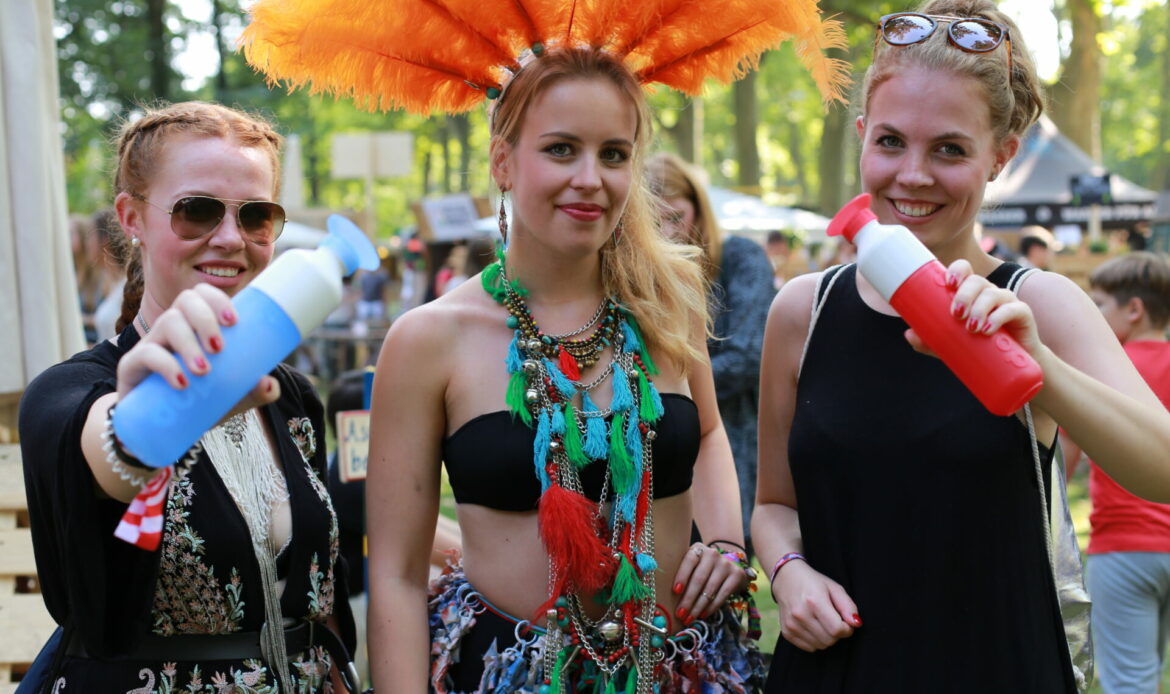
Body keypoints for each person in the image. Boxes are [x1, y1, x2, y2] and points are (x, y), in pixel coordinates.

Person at [243, 1, 848, 688]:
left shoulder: (662, 309)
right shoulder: (429, 340)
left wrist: (727, 545)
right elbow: (400, 576)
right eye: (561, 149)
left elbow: (707, 431)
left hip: (682, 668)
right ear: (504, 160)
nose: (590, 178)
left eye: (613, 154)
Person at [752, 2, 1170, 692]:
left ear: (1000, 156)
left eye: (948, 148)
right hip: (834, 672)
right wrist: (790, 574)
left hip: (998, 666)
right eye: (890, 142)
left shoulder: (1039, 302)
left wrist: (1043, 370)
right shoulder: (805, 309)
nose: (912, 175)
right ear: (861, 137)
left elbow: (1160, 469)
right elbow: (773, 505)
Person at [18, 101, 355, 694]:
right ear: (131, 218)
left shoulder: (291, 396)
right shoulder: (68, 392)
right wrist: (145, 424)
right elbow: (112, 454)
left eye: (256, 216)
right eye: (196, 211)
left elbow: (319, 594)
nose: (230, 239)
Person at [649, 152, 775, 556]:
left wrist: (665, 391)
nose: (666, 232)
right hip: (663, 452)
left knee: (722, 563)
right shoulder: (640, 273)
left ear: (698, 207)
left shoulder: (740, 258)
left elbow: (747, 356)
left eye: (674, 216)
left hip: (734, 435)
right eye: (653, 222)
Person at [1062, 252, 1170, 694]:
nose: (1095, 314)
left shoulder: (1105, 372)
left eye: (1100, 304)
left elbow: (1062, 463)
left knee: (1130, 682)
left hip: (1123, 550)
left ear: (1134, 309)